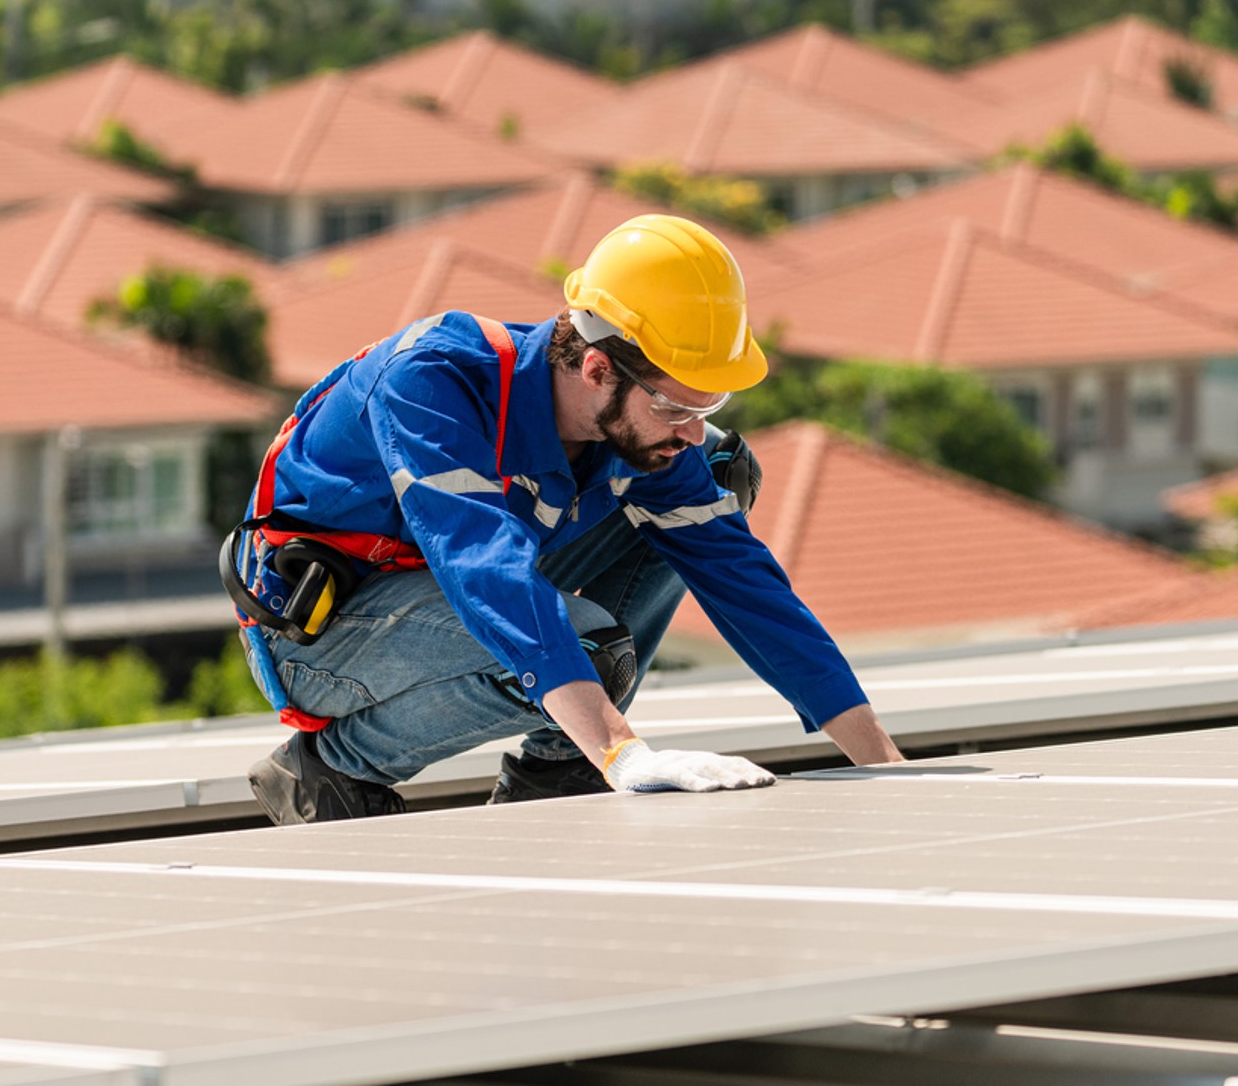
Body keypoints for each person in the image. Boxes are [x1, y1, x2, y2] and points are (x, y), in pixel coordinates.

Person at [226, 214, 903, 825]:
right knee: (580, 645)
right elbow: (483, 567)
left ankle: (556, 769)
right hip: (322, 635)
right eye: (674, 409)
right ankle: (335, 766)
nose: (690, 432)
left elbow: (745, 583)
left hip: (444, 597)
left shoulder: (637, 426)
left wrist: (887, 766)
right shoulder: (433, 383)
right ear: (596, 367)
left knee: (718, 474)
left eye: (708, 403)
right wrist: (622, 753)